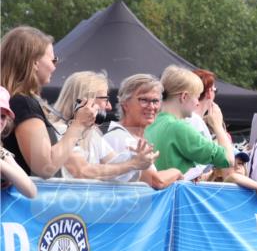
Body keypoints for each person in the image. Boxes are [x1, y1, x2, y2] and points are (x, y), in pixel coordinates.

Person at [0, 25, 98, 178]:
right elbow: (44, 167)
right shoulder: (22, 103)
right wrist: (78, 125)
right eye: (53, 59)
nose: (55, 65)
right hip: (24, 200)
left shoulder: (15, 101)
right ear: (34, 62)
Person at [49, 71, 158, 180]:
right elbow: (82, 171)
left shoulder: (92, 134)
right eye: (105, 100)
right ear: (86, 101)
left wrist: (137, 158)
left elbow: (113, 165)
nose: (109, 107)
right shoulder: (61, 130)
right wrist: (132, 164)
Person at [144, 66, 234, 177]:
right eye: (196, 97)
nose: (197, 103)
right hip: (174, 194)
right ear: (184, 96)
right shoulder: (179, 127)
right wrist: (218, 126)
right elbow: (228, 159)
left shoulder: (150, 123)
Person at [103, 73, 184, 188]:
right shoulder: (119, 137)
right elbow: (155, 181)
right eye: (144, 100)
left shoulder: (135, 137)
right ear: (125, 104)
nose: (151, 107)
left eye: (155, 101)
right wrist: (176, 172)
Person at [0, 88, 37, 197]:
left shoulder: (2, 153)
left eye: (3, 116)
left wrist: (3, 166)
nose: (0, 121)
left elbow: (31, 192)